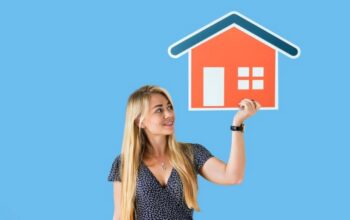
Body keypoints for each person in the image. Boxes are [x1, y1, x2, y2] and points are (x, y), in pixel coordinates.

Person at [108, 85, 260, 220]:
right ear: (139, 121)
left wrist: (237, 124)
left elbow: (233, 176)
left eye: (169, 107)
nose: (169, 114)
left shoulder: (190, 153)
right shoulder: (125, 163)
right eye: (159, 110)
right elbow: (120, 216)